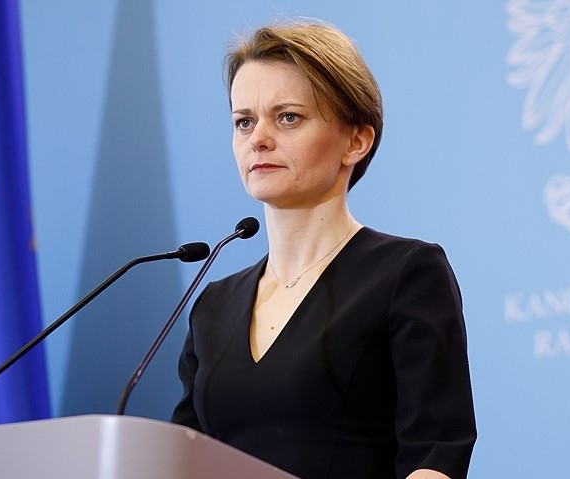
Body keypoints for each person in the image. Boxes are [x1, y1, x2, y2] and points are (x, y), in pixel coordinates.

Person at [171, 20, 477, 479]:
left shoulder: (406, 274)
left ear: (356, 141)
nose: (258, 139)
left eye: (288, 117)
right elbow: (180, 460)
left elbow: (435, 455)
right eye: (244, 122)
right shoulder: (213, 307)